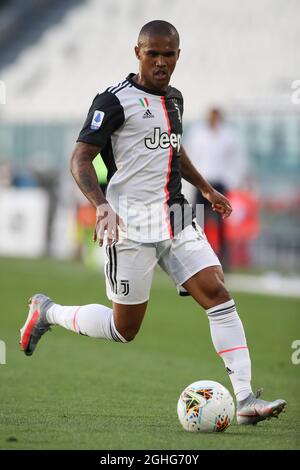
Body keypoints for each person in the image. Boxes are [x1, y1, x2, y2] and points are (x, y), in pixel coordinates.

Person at [20, 20, 286, 425]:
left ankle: (246, 398)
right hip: (129, 225)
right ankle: (48, 312)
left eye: (169, 54)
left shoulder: (176, 99)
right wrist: (101, 204)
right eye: (153, 54)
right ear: (138, 53)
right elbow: (79, 159)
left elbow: (174, 152)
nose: (161, 62)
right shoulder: (112, 101)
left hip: (176, 216)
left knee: (216, 292)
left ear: (178, 56)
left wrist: (207, 189)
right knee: (124, 329)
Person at [186, 108, 248, 266]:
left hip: (219, 183)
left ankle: (222, 259)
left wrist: (230, 180)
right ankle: (193, 255)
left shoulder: (229, 136)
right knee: (197, 220)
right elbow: (190, 157)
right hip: (201, 182)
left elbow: (237, 159)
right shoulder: (197, 133)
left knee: (221, 224)